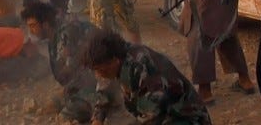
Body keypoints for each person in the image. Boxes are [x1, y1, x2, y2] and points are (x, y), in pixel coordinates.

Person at [83, 29, 212, 125]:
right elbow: (103, 92)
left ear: (114, 61)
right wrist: (97, 118)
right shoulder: (117, 59)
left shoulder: (143, 69)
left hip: (187, 119)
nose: (98, 75)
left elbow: (153, 118)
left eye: (100, 70)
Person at [21, 2, 106, 123]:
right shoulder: (56, 36)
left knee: (69, 112)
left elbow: (74, 72)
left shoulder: (66, 35)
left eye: (33, 25)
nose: (31, 31)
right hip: (93, 81)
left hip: (103, 83)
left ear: (45, 25)